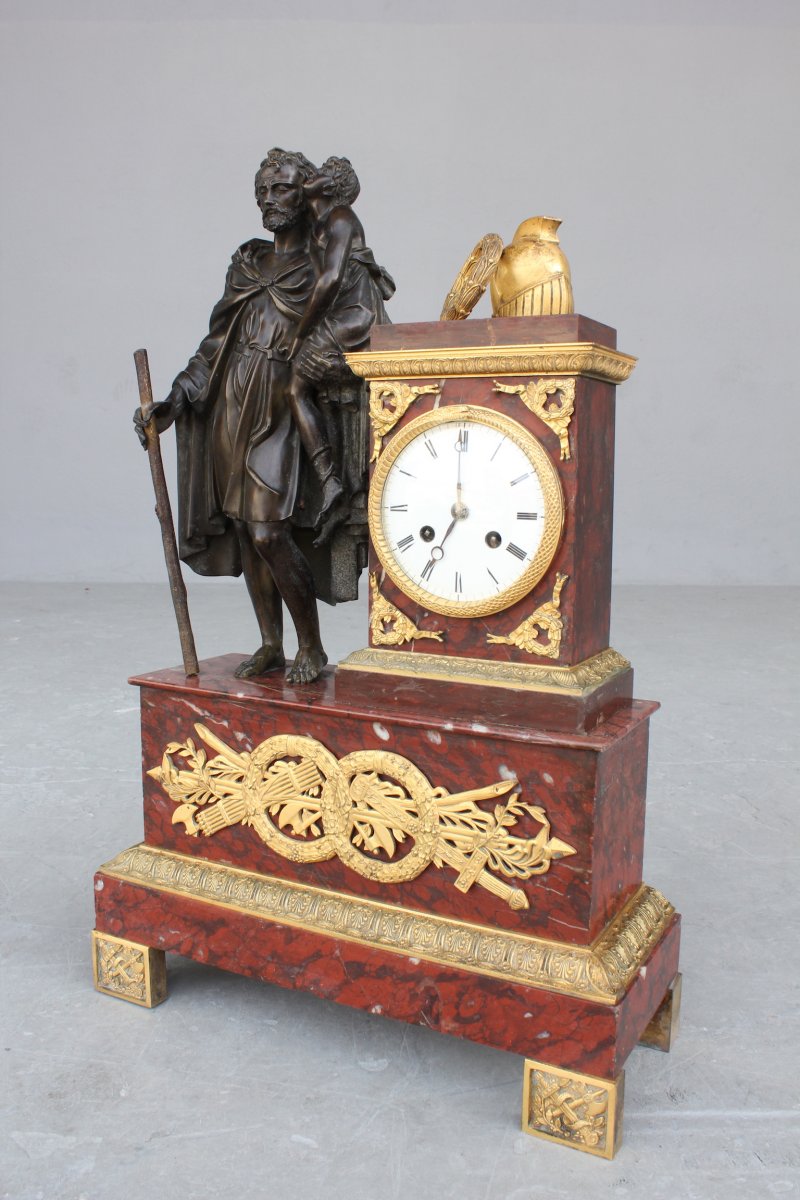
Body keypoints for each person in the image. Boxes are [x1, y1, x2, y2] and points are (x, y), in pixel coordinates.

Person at [134, 148, 391, 684]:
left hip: (282, 404)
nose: (270, 199)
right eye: (263, 191)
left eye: (282, 189)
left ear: (308, 195)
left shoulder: (324, 266)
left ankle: (312, 647)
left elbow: (365, 323)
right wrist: (176, 400)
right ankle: (272, 643)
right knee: (247, 529)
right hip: (232, 401)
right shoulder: (248, 264)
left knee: (269, 529)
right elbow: (215, 344)